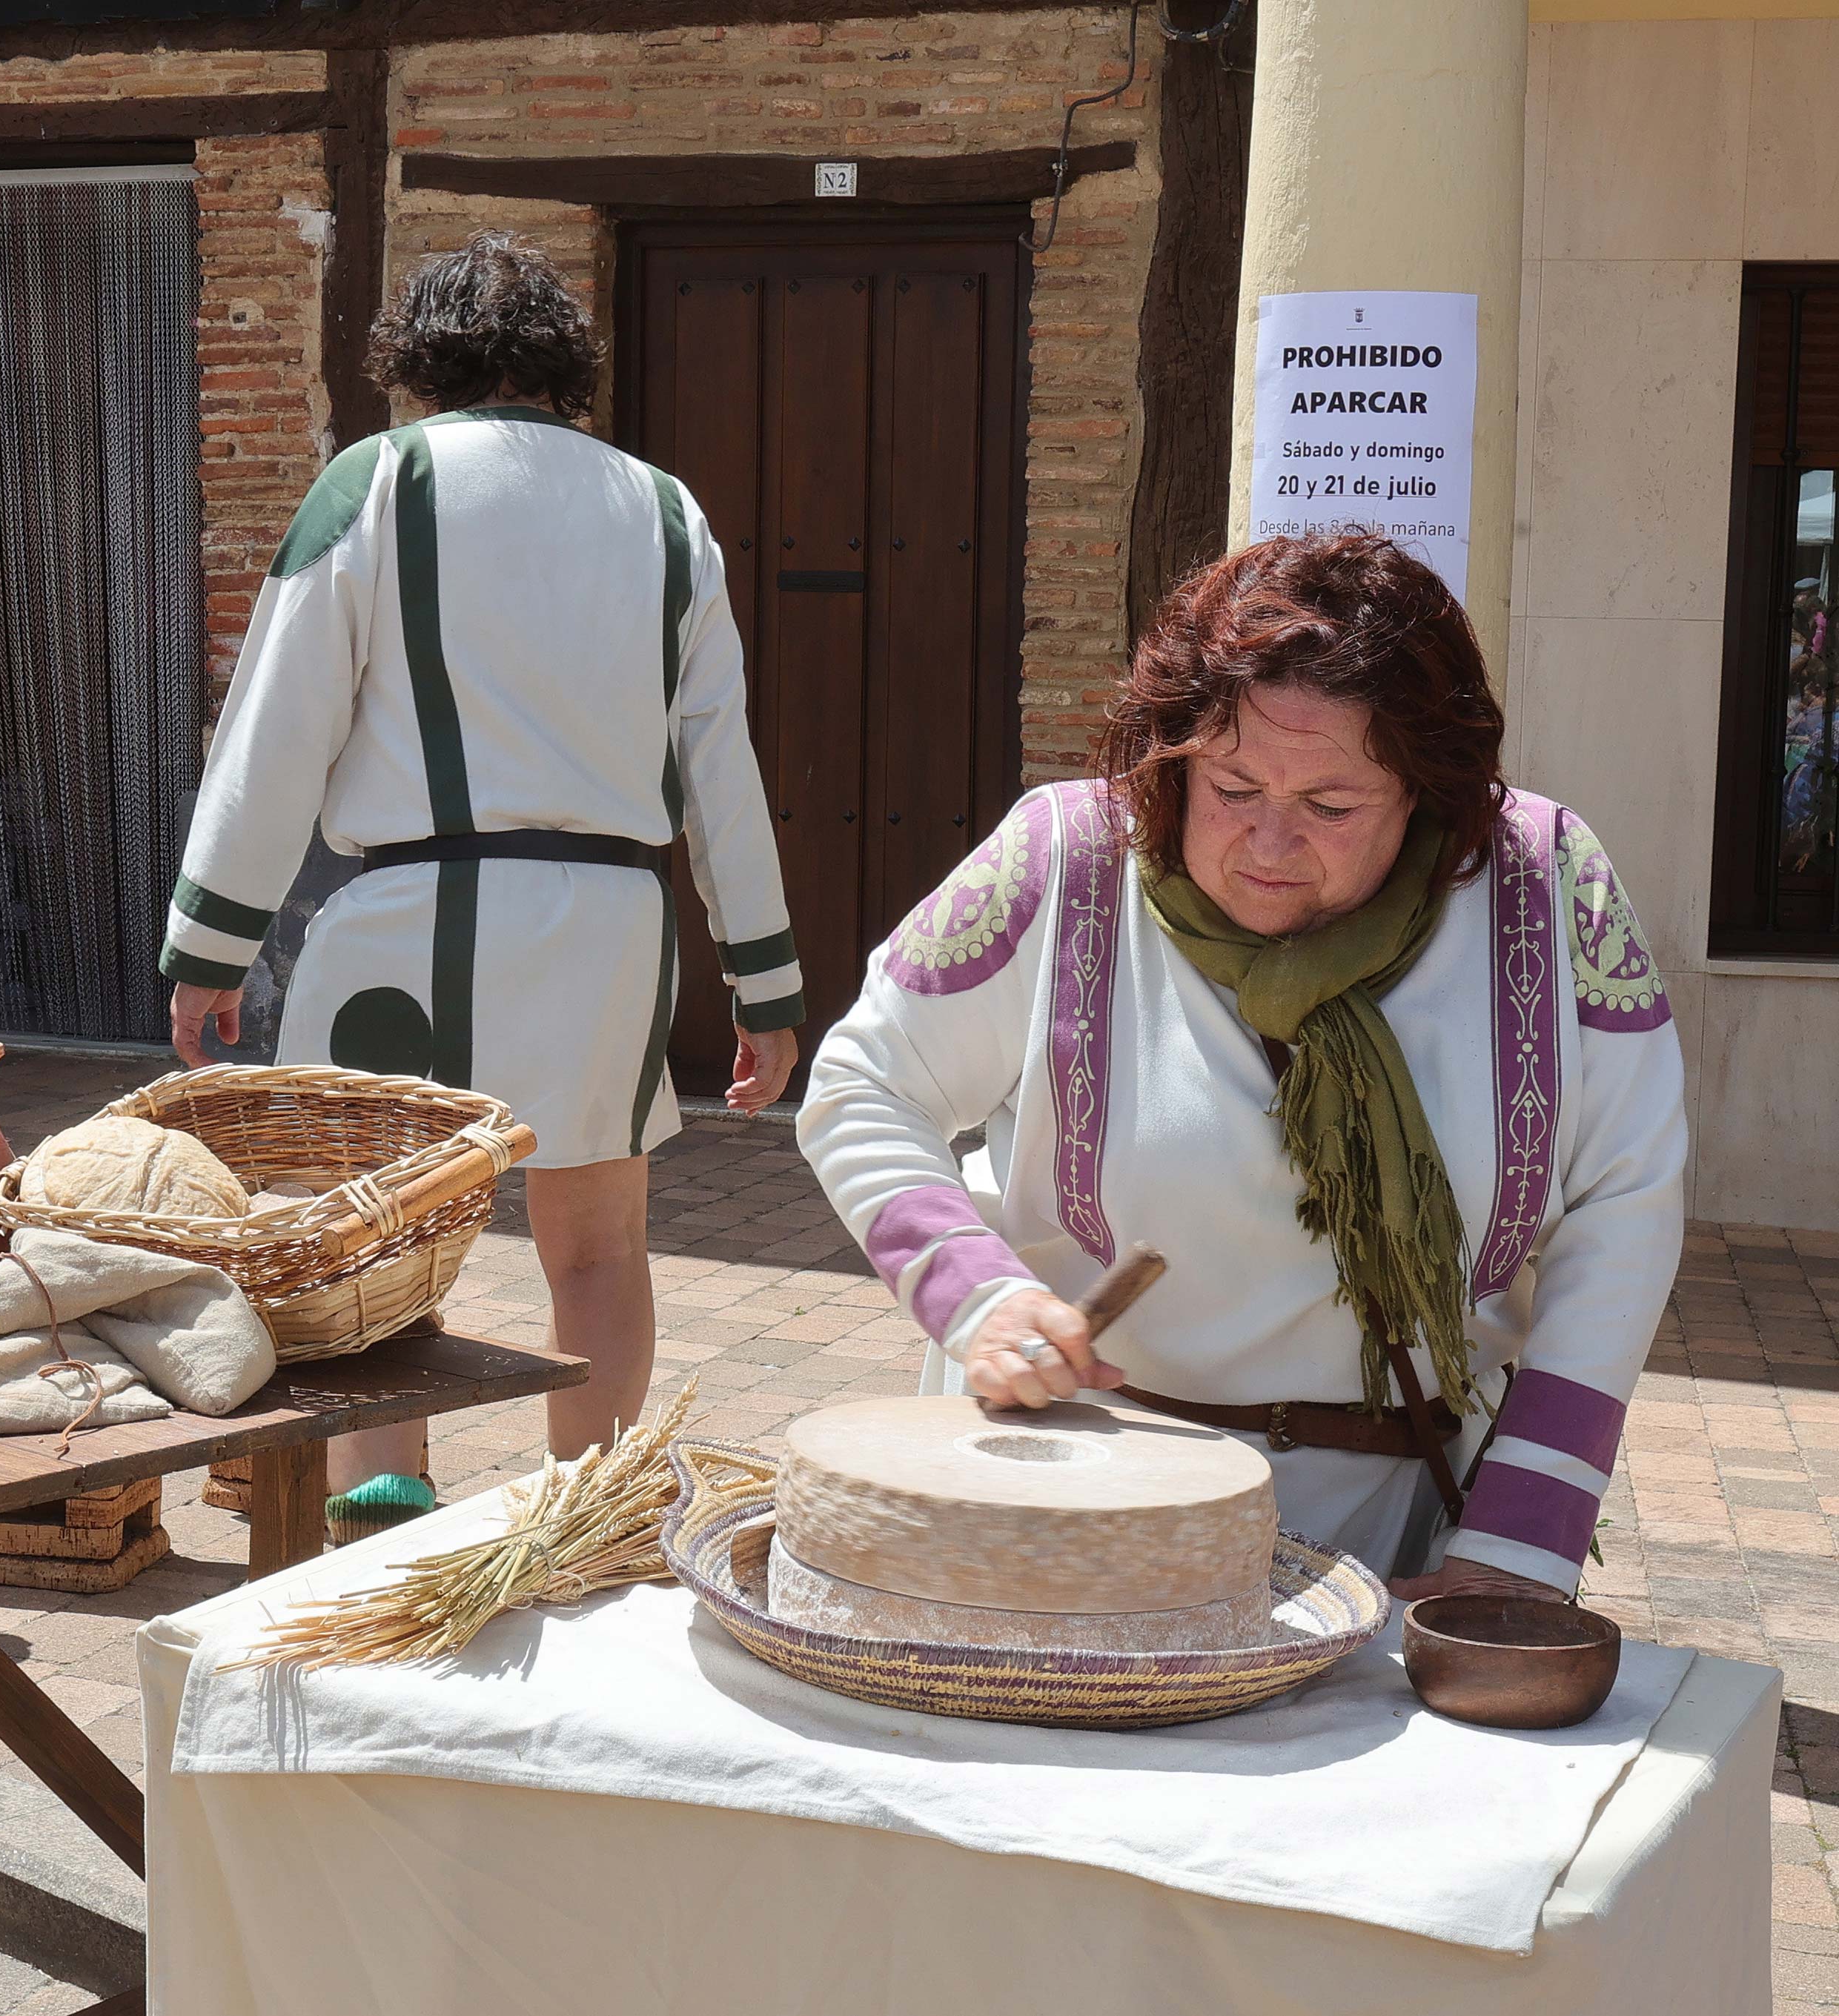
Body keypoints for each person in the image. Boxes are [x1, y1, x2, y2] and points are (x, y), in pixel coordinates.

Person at [798, 533, 1686, 1602]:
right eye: (1230, 786)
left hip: (1401, 1527)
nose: (1267, 843)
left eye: (1329, 806)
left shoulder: (1544, 891)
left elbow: (1621, 1202)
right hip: (1073, 1498)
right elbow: (864, 1081)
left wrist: (1515, 1547)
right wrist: (972, 1293)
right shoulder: (1068, 859)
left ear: (1425, 795)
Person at [162, 233, 804, 1537]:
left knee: (375, 1245)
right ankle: (591, 1509)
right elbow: (717, 763)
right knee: (596, 1246)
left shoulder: (375, 482)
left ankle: (387, 1504)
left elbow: (275, 725)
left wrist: (208, 939)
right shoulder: (663, 509)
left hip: (407, 919)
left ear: (417, 363)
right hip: (606, 923)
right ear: (563, 368)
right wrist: (765, 981)